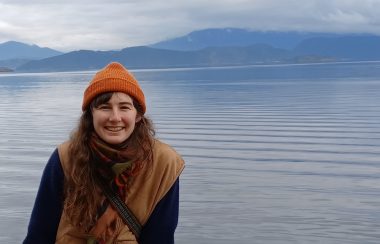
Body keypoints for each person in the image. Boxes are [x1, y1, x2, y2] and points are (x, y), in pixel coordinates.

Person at [23, 62, 185, 244]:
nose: (115, 117)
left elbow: (160, 236)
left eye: (124, 107)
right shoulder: (65, 157)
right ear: (91, 113)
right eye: (104, 107)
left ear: (138, 115)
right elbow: (40, 233)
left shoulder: (163, 163)